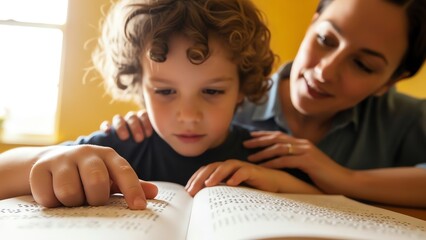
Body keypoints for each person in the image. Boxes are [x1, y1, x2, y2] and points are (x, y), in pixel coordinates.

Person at [0, 0, 321, 210]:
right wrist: (51, 157)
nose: (188, 116)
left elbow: (338, 207)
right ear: (139, 88)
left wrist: (283, 184)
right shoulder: (122, 143)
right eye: (165, 92)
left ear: (241, 89)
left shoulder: (265, 151)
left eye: (211, 91)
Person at [101, 0, 426, 208]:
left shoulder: (407, 120)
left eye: (363, 65)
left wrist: (342, 179)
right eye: (325, 40)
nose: (325, 70)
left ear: (391, 80)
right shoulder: (221, 94)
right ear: (312, 23)